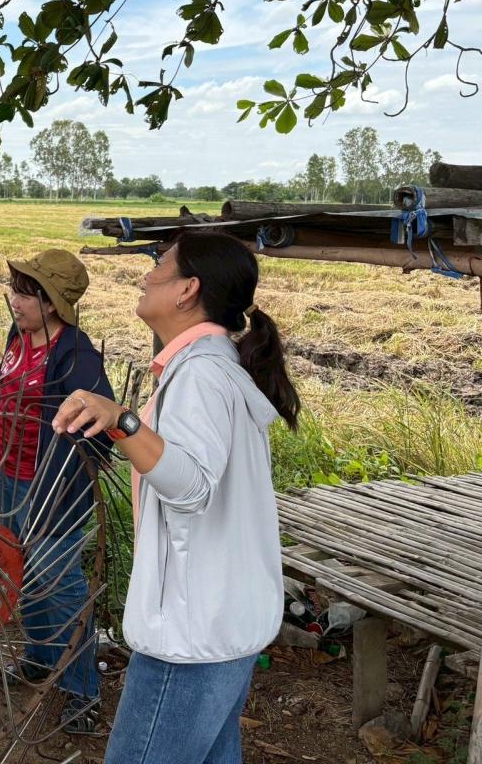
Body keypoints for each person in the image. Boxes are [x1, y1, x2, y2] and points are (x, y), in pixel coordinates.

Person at [52, 232, 300, 764]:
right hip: (221, 627)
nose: (146, 276)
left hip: (190, 640)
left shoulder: (202, 374)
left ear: (188, 290)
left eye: (158, 266)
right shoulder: (213, 366)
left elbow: (191, 487)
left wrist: (120, 420)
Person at [0, 248, 114, 733]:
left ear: (51, 303)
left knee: (60, 583)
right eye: (14, 289)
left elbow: (97, 432)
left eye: (25, 293)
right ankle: (38, 657)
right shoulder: (19, 336)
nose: (14, 300)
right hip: (9, 476)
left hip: (53, 488)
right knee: (21, 571)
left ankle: (81, 689)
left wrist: (59, 488)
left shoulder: (76, 355)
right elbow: (2, 392)